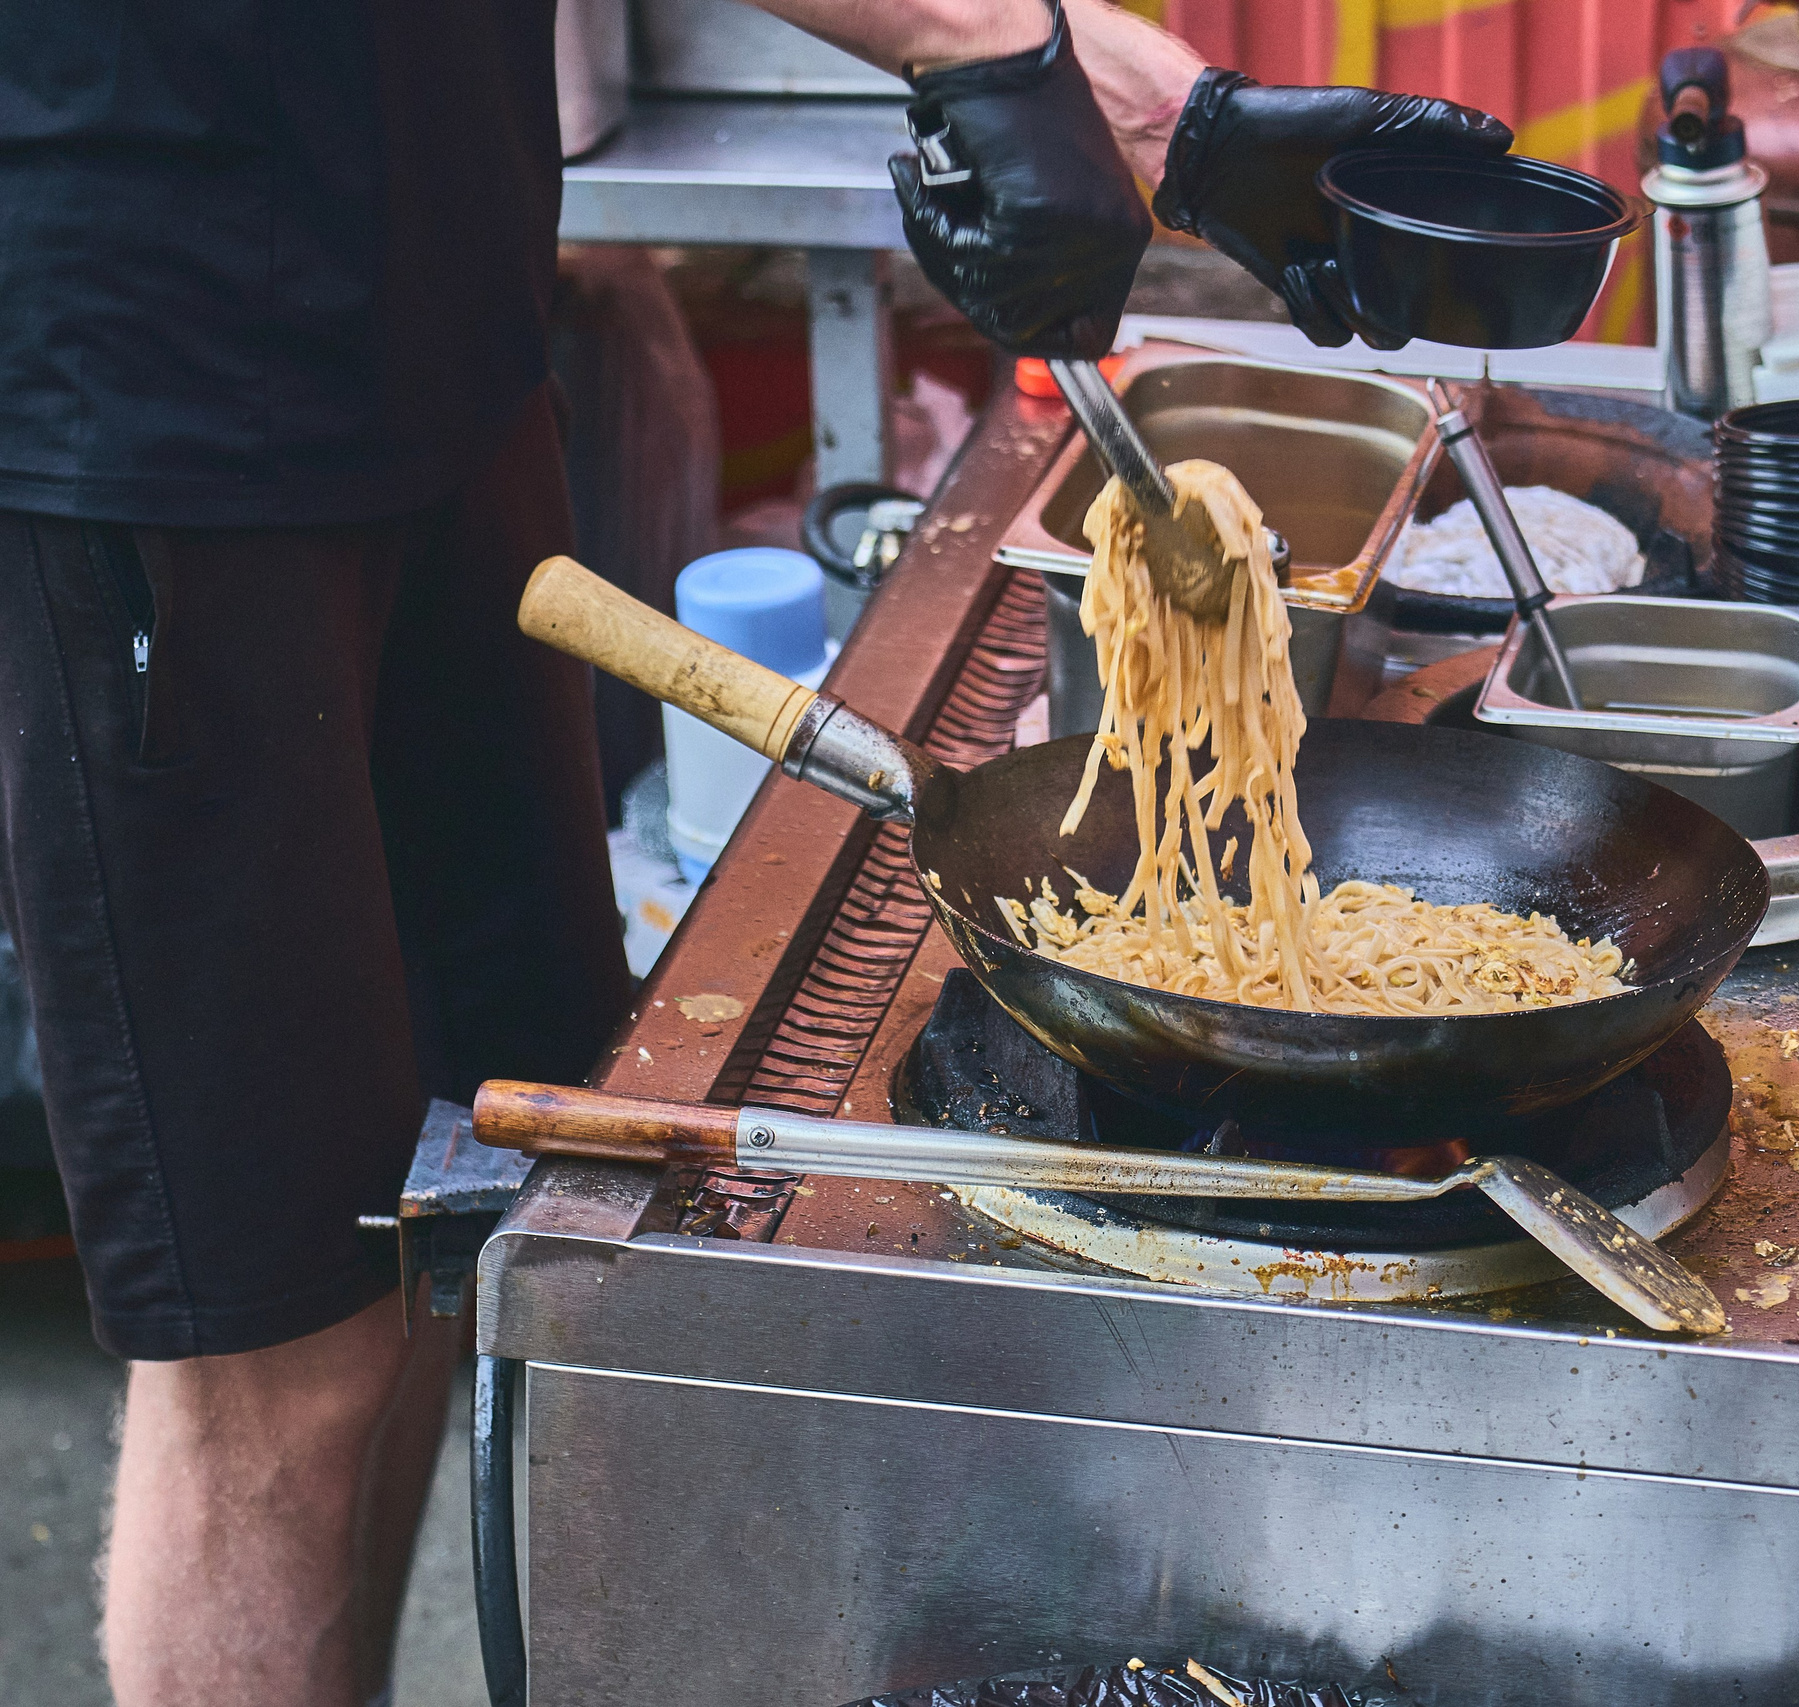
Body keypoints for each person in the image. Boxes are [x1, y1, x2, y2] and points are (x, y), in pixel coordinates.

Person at [0, 3, 1506, 1703]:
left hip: (443, 335)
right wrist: (989, 44)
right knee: (274, 1343)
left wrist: (1126, 91)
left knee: (451, 1219)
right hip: (156, 385)